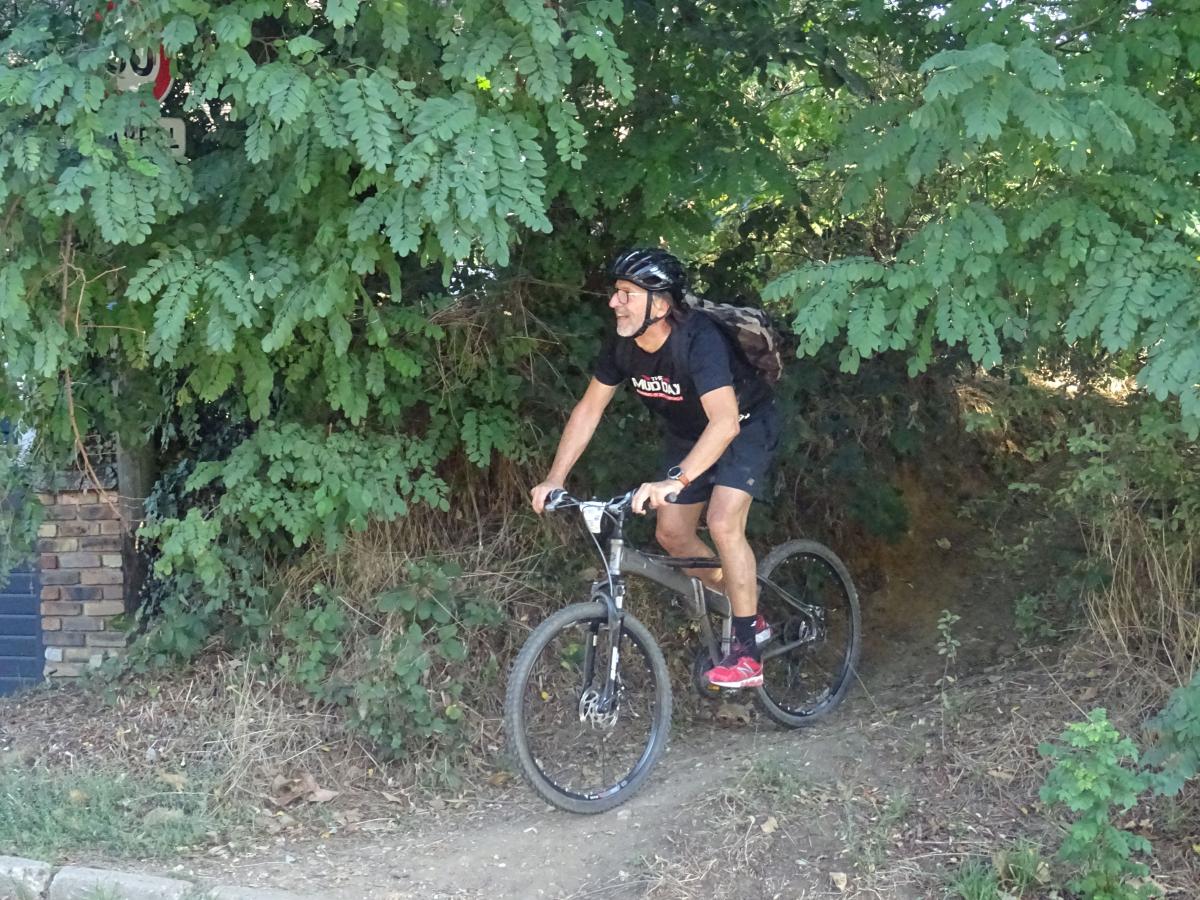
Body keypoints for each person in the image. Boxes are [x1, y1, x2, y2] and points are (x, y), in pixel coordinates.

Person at [530, 248, 779, 688]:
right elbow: (589, 410)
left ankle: (746, 653)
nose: (614, 302)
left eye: (627, 294)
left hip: (743, 424)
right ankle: (745, 606)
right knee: (672, 534)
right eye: (616, 292)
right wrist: (555, 477)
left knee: (722, 522)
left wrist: (675, 480)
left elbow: (724, 424)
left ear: (660, 305)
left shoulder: (699, 339)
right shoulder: (623, 345)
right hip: (688, 435)